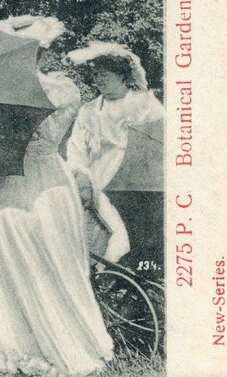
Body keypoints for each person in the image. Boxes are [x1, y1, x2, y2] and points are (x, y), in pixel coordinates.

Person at [0, 16, 113, 376]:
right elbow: (58, 139)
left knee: (16, 262)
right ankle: (70, 339)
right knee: (57, 263)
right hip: (53, 180)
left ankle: (19, 345)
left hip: (13, 183)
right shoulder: (65, 89)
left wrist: (12, 24)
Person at [65, 41, 166, 265]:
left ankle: (122, 269)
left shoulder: (143, 103)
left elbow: (162, 139)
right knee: (98, 228)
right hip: (98, 176)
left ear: (122, 76)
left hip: (136, 175)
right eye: (95, 75)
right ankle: (102, 271)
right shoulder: (89, 110)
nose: (99, 80)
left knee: (136, 230)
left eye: (104, 75)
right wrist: (80, 175)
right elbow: (77, 148)